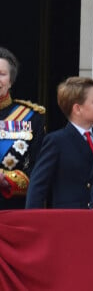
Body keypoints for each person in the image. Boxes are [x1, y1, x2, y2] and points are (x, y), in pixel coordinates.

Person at [26, 77, 93, 209]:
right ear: (77, 109)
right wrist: (35, 224)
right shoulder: (56, 141)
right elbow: (37, 187)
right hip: (67, 221)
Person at [0, 47, 46, 209]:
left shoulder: (31, 116)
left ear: (11, 81)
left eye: (2, 74)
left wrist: (7, 179)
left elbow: (39, 168)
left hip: (10, 208)